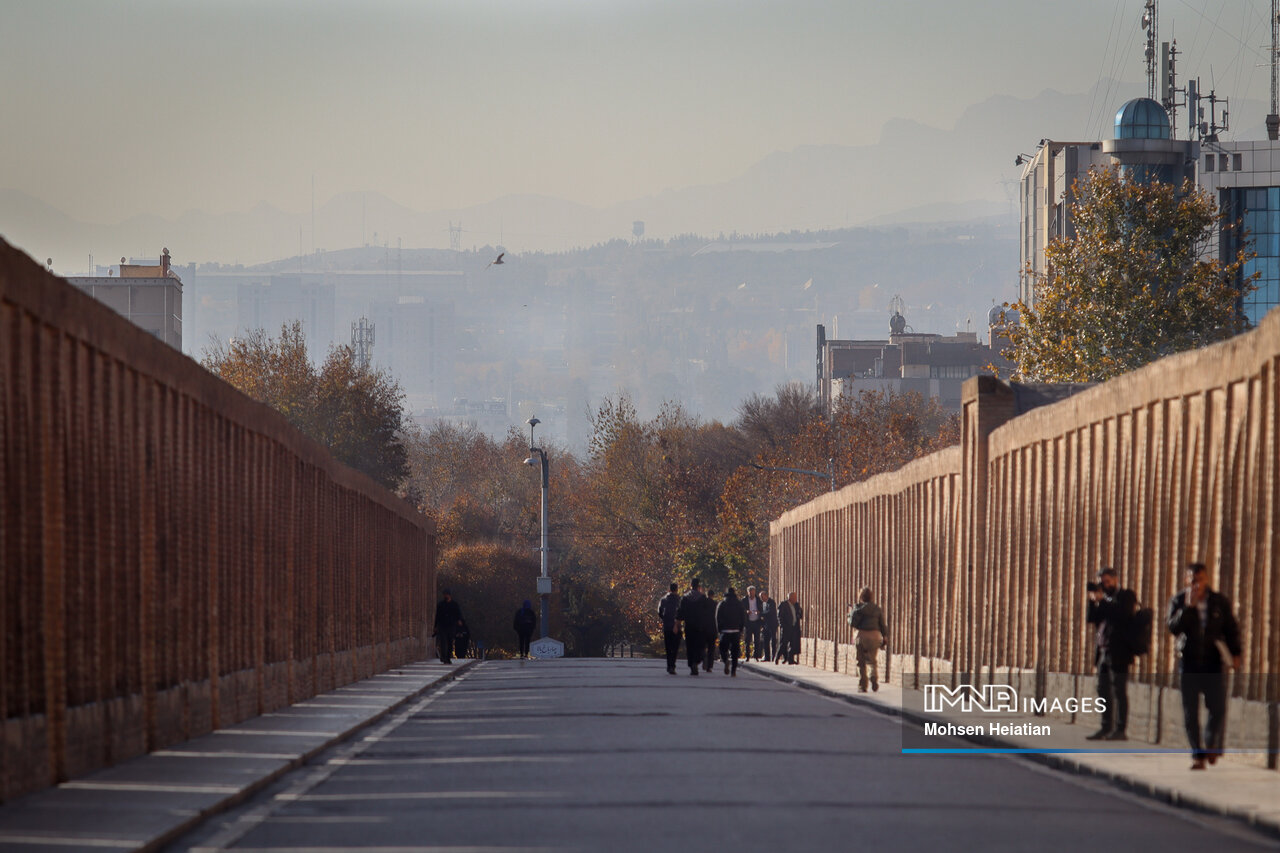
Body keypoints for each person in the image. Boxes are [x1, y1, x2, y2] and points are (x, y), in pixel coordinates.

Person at [1168, 562, 1243, 770]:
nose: (1196, 585)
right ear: (1186, 580)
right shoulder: (1178, 601)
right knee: (1190, 712)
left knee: (1217, 708)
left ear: (1206, 579)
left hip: (1212, 664)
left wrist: (1236, 653)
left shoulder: (1218, 602)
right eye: (1192, 581)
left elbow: (1231, 629)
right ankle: (1197, 754)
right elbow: (1173, 627)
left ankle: (1210, 743)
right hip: (1189, 665)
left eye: (1200, 580)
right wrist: (1187, 608)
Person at [1085, 567, 1137, 740]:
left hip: (1120, 652)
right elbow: (1092, 619)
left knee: (1119, 691)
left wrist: (1104, 601)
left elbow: (1123, 615)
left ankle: (1120, 729)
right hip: (1103, 652)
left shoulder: (1126, 596)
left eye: (1108, 581)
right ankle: (1105, 727)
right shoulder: (1104, 600)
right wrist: (1092, 601)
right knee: (1103, 690)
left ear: (1116, 579)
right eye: (1103, 582)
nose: (1106, 585)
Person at [847, 587, 888, 692]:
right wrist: (885, 637)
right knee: (872, 661)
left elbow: (852, 623)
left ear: (861, 597)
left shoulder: (857, 608)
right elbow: (883, 625)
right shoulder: (877, 609)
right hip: (875, 636)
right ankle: (873, 677)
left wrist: (849, 614)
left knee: (861, 662)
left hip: (862, 636)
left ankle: (863, 685)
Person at [676, 578, 708, 676]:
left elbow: (680, 612)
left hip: (689, 625)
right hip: (700, 625)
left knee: (690, 646)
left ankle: (692, 664)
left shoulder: (685, 598)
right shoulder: (703, 598)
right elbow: (707, 613)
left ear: (690, 586)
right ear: (698, 587)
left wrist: (678, 623)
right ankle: (700, 658)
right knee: (699, 645)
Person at [716, 587, 746, 676]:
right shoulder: (739, 604)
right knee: (735, 652)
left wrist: (719, 630)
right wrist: (740, 629)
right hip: (736, 630)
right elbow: (743, 617)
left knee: (723, 649)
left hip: (725, 631)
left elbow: (717, 617)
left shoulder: (722, 604)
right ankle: (733, 671)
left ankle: (725, 661)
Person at [433, 589, 463, 665]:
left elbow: (458, 613)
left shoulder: (454, 604)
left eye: (446, 594)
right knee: (443, 642)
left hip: (451, 626)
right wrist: (435, 626)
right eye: (444, 594)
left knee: (450, 642)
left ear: (449, 595)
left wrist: (459, 620)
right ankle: (444, 657)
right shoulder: (440, 605)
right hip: (442, 626)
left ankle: (448, 657)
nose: (445, 596)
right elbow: (437, 616)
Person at [658, 583, 682, 674]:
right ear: (677, 589)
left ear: (669, 589)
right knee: (675, 647)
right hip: (677, 626)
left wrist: (664, 619)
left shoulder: (663, 599)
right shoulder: (679, 600)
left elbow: (660, 612)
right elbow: (682, 612)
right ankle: (673, 665)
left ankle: (669, 665)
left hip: (667, 626)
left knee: (668, 647)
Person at [777, 591, 803, 664]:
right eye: (794, 597)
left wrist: (800, 612)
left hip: (794, 627)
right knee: (783, 643)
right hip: (786, 627)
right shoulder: (783, 605)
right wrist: (782, 625)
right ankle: (777, 657)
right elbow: (779, 616)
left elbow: (800, 614)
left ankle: (790, 659)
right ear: (790, 598)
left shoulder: (796, 605)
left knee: (793, 644)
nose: (795, 599)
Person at [742, 586, 764, 661]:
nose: (752, 594)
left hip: (756, 622)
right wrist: (746, 611)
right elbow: (741, 609)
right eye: (750, 593)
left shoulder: (758, 600)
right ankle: (747, 656)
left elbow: (762, 609)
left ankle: (756, 656)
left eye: (753, 592)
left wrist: (759, 612)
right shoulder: (744, 600)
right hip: (748, 623)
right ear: (748, 592)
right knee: (747, 640)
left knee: (757, 640)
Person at [701, 590, 719, 672]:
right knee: (711, 648)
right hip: (713, 629)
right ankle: (709, 666)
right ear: (713, 595)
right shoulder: (716, 604)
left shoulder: (703, 604)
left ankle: (704, 659)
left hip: (703, 629)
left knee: (703, 647)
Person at [760, 591, 778, 662]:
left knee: (773, 641)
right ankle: (767, 657)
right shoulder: (763, 604)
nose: (761, 598)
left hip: (772, 625)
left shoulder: (771, 602)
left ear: (766, 595)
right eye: (760, 597)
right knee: (765, 641)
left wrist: (761, 614)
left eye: (762, 596)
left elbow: (770, 612)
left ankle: (773, 656)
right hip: (765, 625)